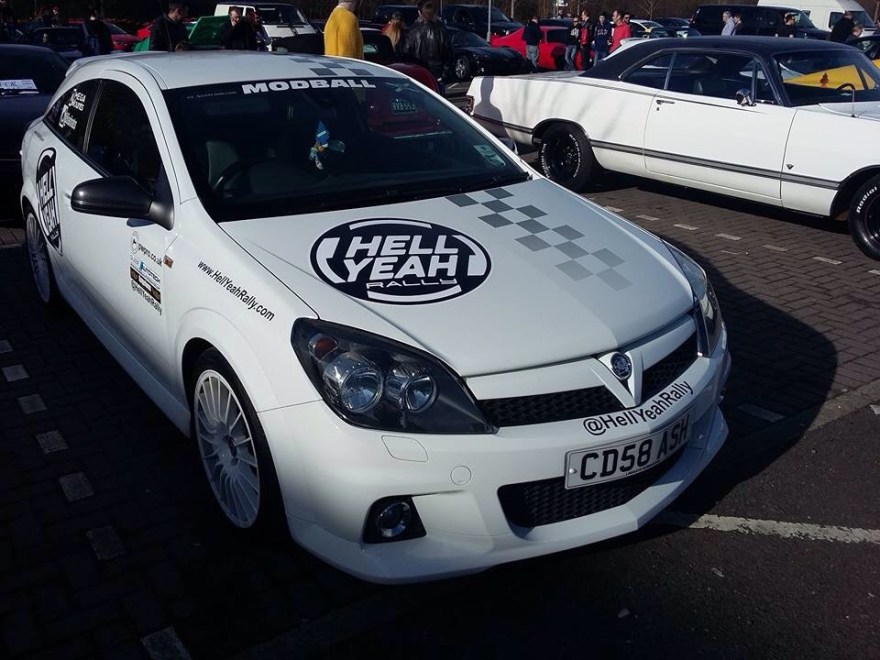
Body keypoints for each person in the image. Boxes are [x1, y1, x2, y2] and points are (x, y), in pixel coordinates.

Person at [404, 2, 451, 89]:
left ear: (421, 14)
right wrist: (444, 74)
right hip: (437, 74)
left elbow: (406, 54)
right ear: (434, 14)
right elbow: (449, 55)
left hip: (418, 73)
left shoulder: (412, 32)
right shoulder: (442, 32)